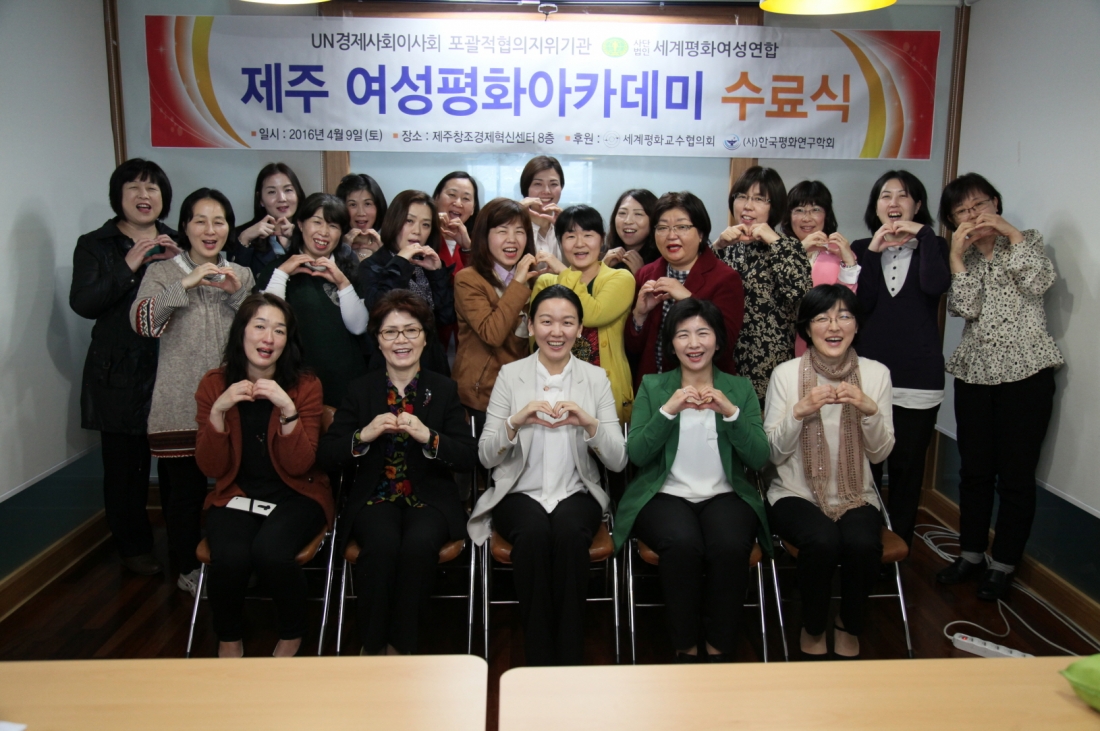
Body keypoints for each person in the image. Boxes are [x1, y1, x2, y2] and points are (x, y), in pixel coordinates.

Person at [470, 285, 627, 665]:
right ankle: (539, 658)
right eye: (546, 321)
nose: (556, 331)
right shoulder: (511, 375)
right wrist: (515, 421)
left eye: (567, 322)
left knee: (571, 535)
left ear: (579, 328)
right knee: (534, 535)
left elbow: (618, 461)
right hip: (518, 492)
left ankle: (568, 658)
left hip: (577, 491)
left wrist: (589, 424)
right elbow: (486, 456)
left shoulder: (595, 378)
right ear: (530, 325)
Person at [317, 291, 477, 655]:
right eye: (390, 332)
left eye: (410, 330)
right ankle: (373, 646)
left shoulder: (444, 389)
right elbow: (327, 455)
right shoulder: (360, 390)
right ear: (378, 340)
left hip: (429, 499)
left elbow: (468, 456)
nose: (401, 340)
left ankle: (402, 647)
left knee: (419, 546)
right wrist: (362, 436)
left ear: (425, 337)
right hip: (375, 497)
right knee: (381, 545)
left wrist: (430, 437)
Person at [614, 298, 769, 663]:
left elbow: (759, 458)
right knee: (682, 543)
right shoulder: (653, 386)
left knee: (729, 544)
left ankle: (718, 648)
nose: (694, 343)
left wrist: (730, 413)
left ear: (718, 340)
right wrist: (669, 410)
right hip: (664, 495)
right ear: (671, 344)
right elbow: (637, 455)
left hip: (726, 494)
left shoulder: (739, 388)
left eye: (703, 333)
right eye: (683, 334)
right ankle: (685, 646)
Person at [935, 173, 1064, 601]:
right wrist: (957, 258)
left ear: (995, 202)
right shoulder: (964, 257)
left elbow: (1038, 282)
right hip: (975, 374)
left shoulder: (1027, 241)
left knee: (1016, 476)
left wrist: (1010, 233)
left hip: (1027, 375)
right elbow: (964, 308)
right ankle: (970, 553)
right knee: (974, 472)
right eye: (961, 212)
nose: (972, 216)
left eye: (979, 205)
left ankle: (1004, 563)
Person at [195, 293, 333, 658]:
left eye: (279, 330)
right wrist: (219, 411)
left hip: (297, 494)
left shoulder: (305, 385)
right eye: (260, 326)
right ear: (242, 332)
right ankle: (229, 636)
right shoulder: (214, 384)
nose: (268, 338)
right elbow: (211, 468)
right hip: (237, 492)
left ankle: (292, 632)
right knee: (230, 555)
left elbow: (300, 465)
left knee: (271, 552)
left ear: (289, 340)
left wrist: (287, 408)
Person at [130, 188, 254, 595]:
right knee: (183, 495)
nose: (210, 230)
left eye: (219, 221)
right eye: (200, 220)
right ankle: (187, 565)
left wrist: (235, 292)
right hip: (178, 403)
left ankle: (239, 563)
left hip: (234, 401)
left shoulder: (241, 272)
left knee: (238, 489)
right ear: (185, 225)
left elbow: (260, 330)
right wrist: (186, 282)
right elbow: (143, 323)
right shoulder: (163, 272)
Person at [764, 285, 895, 660]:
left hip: (856, 494)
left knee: (861, 544)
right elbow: (771, 454)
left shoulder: (876, 374)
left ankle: (848, 623)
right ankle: (813, 625)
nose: (834, 326)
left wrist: (869, 410)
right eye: (822, 318)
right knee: (822, 540)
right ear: (807, 328)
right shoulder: (786, 375)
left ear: (857, 325)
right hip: (794, 492)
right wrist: (799, 412)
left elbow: (881, 452)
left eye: (844, 316)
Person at [70, 158, 180, 576]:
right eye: (133, 187)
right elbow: (84, 303)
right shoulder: (95, 244)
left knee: (177, 463)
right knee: (124, 468)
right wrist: (129, 264)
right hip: (117, 371)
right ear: (118, 196)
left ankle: (182, 543)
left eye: (152, 188)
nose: (143, 195)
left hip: (170, 365)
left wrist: (180, 263)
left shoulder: (176, 241)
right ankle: (133, 548)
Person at [851, 171, 950, 547]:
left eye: (903, 195)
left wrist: (924, 235)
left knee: (907, 469)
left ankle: (900, 544)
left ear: (918, 205)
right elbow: (862, 304)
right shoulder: (862, 247)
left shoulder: (934, 245)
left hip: (919, 376)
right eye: (885, 196)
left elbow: (935, 286)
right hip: (869, 376)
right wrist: (874, 251)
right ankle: (867, 543)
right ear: (875, 206)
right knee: (866, 468)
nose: (893, 202)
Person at [256, 193, 368, 408]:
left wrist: (343, 283)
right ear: (300, 224)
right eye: (317, 222)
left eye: (333, 226)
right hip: (294, 380)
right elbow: (264, 321)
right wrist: (282, 274)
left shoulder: (350, 271)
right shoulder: (276, 270)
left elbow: (358, 327)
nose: (324, 232)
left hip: (346, 381)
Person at [713, 166, 813, 403]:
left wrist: (774, 241)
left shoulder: (789, 247)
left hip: (769, 366)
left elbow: (799, 293)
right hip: (724, 361)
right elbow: (699, 293)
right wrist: (717, 246)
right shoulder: (725, 247)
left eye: (759, 199)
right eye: (741, 197)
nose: (747, 206)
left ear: (774, 206)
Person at [625, 191, 744, 387]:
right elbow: (632, 349)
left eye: (682, 227)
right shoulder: (646, 274)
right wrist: (639, 315)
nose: (671, 235)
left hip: (705, 390)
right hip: (654, 389)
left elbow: (725, 345)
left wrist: (688, 299)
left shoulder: (725, 278)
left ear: (701, 234)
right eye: (662, 228)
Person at [531, 205, 636, 422]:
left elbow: (592, 314)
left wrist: (564, 272)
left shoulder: (620, 278)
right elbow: (536, 340)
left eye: (588, 235)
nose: (579, 243)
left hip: (605, 391)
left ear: (602, 239)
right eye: (570, 236)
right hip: (554, 391)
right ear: (560, 242)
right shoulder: (545, 282)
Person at [452, 197, 539, 430]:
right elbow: (492, 334)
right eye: (502, 231)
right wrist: (518, 283)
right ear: (484, 236)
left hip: (523, 395)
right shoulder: (468, 279)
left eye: (520, 231)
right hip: (480, 396)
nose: (512, 239)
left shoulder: (534, 280)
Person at [355, 190, 453, 375]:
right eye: (409, 221)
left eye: (426, 224)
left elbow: (446, 317)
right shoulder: (372, 265)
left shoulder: (427, 262)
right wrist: (400, 261)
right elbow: (379, 309)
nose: (417, 231)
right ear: (394, 221)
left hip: (431, 364)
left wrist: (437, 274)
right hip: (390, 365)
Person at [781, 181, 860, 357]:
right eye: (799, 210)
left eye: (815, 210)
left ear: (826, 215)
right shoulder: (778, 251)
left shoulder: (839, 253)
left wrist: (849, 261)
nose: (807, 218)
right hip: (779, 341)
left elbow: (846, 305)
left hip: (824, 345)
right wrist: (799, 250)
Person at [228, 163, 306, 275]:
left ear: (298, 193)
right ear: (260, 199)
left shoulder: (311, 233)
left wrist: (299, 238)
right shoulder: (241, 235)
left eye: (288, 190)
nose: (282, 198)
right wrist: (244, 239)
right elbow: (235, 280)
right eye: (272, 192)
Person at [433, 172, 480, 352]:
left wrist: (468, 247)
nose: (458, 203)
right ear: (436, 198)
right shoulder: (420, 239)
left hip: (469, 340)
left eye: (466, 198)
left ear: (473, 208)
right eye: (451, 195)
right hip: (433, 337)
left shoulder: (481, 244)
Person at [602, 189, 659, 275]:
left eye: (638, 214)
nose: (628, 221)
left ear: (654, 220)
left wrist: (641, 274)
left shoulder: (662, 261)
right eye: (622, 213)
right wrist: (601, 268)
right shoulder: (600, 253)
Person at [517, 156, 564, 259]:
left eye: (553, 184)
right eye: (538, 184)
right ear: (526, 188)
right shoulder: (514, 228)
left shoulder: (566, 227)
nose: (546, 191)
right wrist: (515, 213)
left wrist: (566, 228)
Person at [335, 172, 388, 260]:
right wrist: (344, 250)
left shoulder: (390, 248)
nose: (361, 213)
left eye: (367, 204)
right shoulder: (331, 246)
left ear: (378, 207)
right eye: (353, 205)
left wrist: (383, 254)